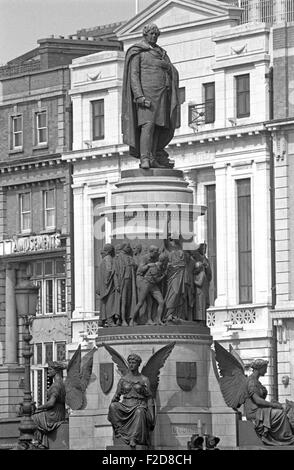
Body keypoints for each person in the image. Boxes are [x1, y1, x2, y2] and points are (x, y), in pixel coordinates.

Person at [122, 23, 180, 170]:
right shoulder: (138, 52)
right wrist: (139, 96)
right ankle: (144, 158)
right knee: (147, 126)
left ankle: (153, 156)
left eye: (156, 34)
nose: (154, 36)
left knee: (158, 127)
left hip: (161, 95)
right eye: (151, 34)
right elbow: (133, 75)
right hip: (147, 96)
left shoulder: (162, 53)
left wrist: (167, 68)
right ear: (145, 34)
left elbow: (172, 70)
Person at [108, 353, 155, 449]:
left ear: (138, 364)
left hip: (139, 405)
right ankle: (118, 431)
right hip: (125, 405)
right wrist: (114, 401)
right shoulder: (123, 380)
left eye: (134, 363)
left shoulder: (144, 380)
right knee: (113, 406)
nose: (131, 365)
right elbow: (117, 395)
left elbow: (150, 397)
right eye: (130, 362)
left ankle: (134, 438)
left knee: (139, 412)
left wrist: (152, 414)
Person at [244, 359, 294, 446]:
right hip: (254, 412)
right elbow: (257, 400)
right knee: (280, 413)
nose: (266, 371)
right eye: (265, 368)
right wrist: (273, 405)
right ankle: (286, 438)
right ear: (259, 368)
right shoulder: (251, 381)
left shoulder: (257, 381)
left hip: (260, 409)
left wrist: (273, 403)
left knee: (286, 407)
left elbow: (260, 400)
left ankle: (288, 433)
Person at [32, 361, 67, 449]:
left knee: (33, 418)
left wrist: (39, 408)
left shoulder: (56, 385)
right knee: (38, 415)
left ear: (56, 371)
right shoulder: (62, 383)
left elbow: (51, 403)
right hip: (60, 412)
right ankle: (42, 442)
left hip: (54, 414)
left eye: (50, 369)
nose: (48, 371)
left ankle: (37, 442)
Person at [130, 252, 168, 326]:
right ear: (164, 261)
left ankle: (158, 320)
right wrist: (164, 275)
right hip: (146, 284)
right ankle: (132, 319)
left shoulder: (161, 266)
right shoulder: (154, 266)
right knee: (140, 303)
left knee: (161, 302)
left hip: (153, 285)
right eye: (167, 261)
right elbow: (157, 280)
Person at [96, 243, 118, 327]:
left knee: (104, 303)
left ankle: (102, 320)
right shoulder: (108, 258)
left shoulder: (103, 259)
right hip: (109, 285)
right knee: (110, 302)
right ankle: (109, 320)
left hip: (104, 285)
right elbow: (109, 270)